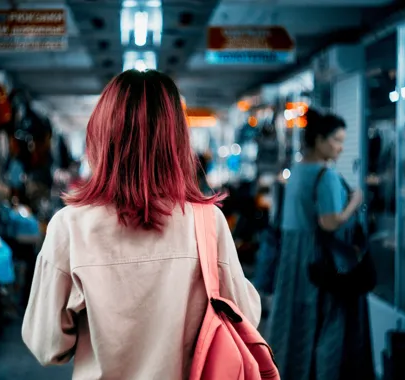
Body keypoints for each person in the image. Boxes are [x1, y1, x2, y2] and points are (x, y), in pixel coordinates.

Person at [22, 70, 261, 379]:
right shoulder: (207, 222)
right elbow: (246, 316)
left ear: (101, 135)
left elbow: (47, 345)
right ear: (177, 140)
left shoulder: (69, 226)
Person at [267, 109, 375, 380]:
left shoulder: (297, 172)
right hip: (323, 261)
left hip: (295, 260)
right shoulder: (324, 175)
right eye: (337, 140)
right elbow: (330, 222)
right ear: (319, 139)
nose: (340, 148)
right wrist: (355, 201)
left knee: (297, 322)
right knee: (328, 325)